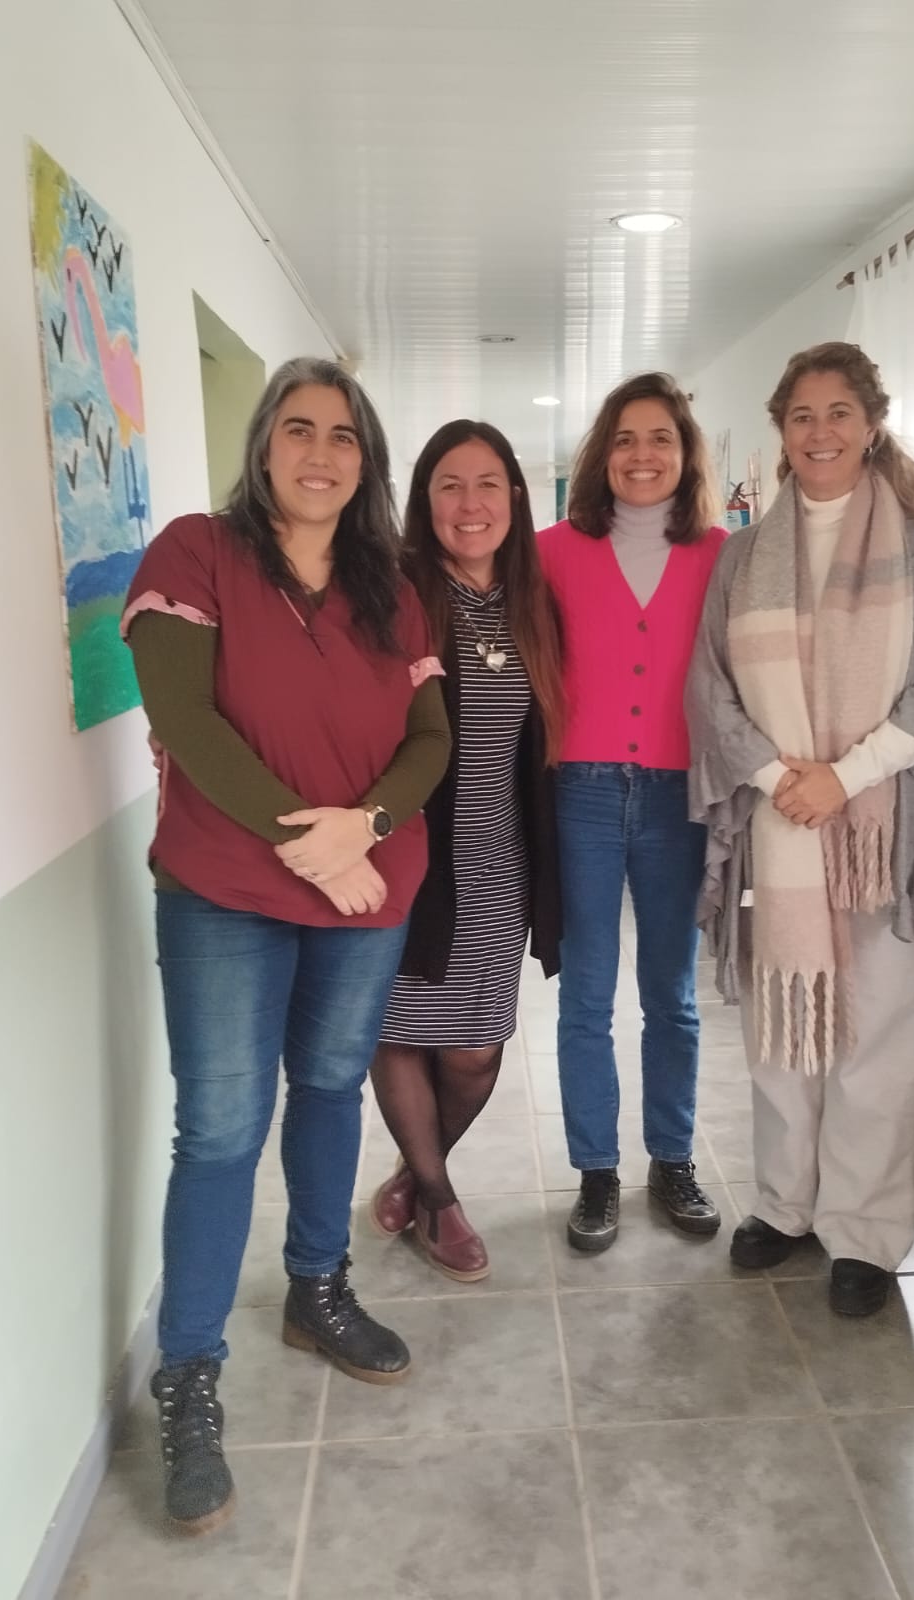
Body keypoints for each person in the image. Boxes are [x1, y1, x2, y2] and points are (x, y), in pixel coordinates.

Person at [122, 357, 451, 1532]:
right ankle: (188, 1373)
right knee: (219, 1128)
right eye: (299, 428)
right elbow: (183, 717)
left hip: (368, 884)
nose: (321, 452)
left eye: (345, 435)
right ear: (264, 444)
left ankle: (317, 1287)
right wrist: (308, 841)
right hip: (224, 889)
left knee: (327, 1086)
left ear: (367, 461)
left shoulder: (391, 589)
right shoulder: (196, 553)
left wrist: (366, 826)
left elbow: (430, 738)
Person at [686, 340, 914, 1317]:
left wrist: (844, 777)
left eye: (838, 414)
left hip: (879, 828)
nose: (820, 432)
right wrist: (781, 778)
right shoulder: (743, 556)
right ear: (782, 431)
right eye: (802, 416)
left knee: (876, 1030)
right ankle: (785, 1205)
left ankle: (862, 1231)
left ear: (871, 424)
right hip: (780, 820)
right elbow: (709, 688)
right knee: (783, 1021)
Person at [368, 420, 564, 1281]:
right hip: (409, 859)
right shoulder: (394, 594)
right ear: (426, 501)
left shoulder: (533, 603)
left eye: (488, 483)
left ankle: (415, 1173)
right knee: (399, 1030)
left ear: (514, 497)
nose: (470, 502)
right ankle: (440, 1202)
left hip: (501, 862)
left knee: (475, 1051)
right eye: (450, 484)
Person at [537, 372, 727, 1252]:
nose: (642, 455)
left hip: (677, 794)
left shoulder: (722, 555)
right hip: (579, 789)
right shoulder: (551, 551)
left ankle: (673, 1158)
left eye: (660, 438)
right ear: (600, 454)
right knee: (586, 995)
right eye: (624, 438)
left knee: (672, 995)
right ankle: (596, 1171)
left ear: (686, 453)